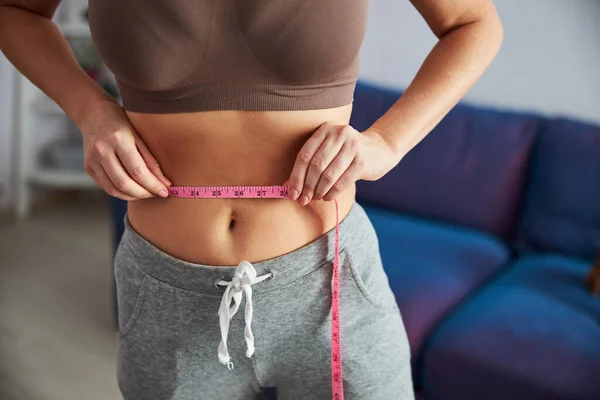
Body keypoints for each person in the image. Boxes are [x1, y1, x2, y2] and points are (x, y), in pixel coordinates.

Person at [0, 0, 503, 399]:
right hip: (166, 291)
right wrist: (90, 110)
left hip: (330, 284)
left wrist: (388, 143)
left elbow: (473, 23)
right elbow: (16, 10)